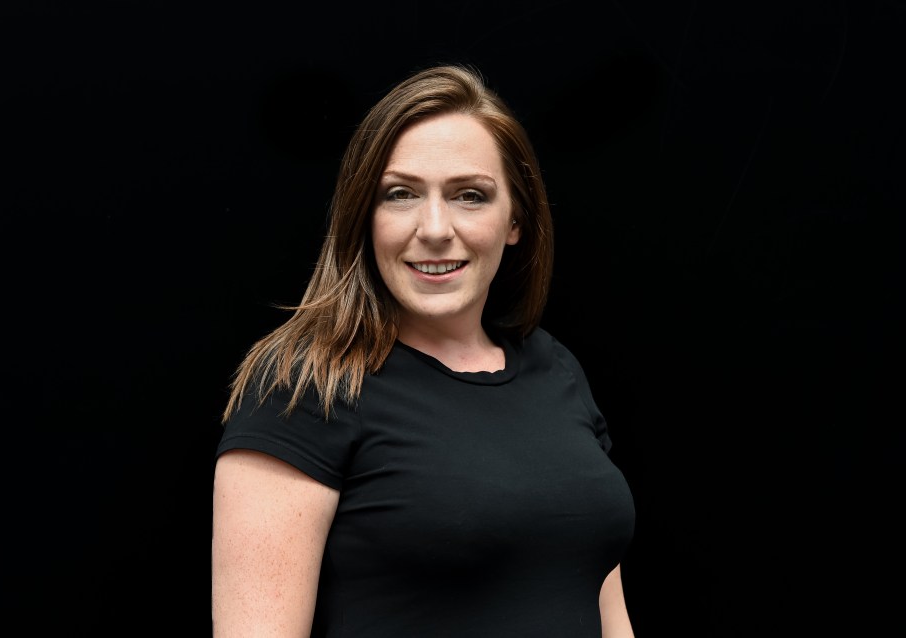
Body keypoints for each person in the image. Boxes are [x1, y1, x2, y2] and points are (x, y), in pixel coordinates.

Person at [211, 63, 637, 637]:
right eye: (401, 194)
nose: (434, 228)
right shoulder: (306, 385)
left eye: (469, 195)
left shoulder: (554, 368)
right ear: (365, 216)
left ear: (516, 219)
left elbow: (604, 606)